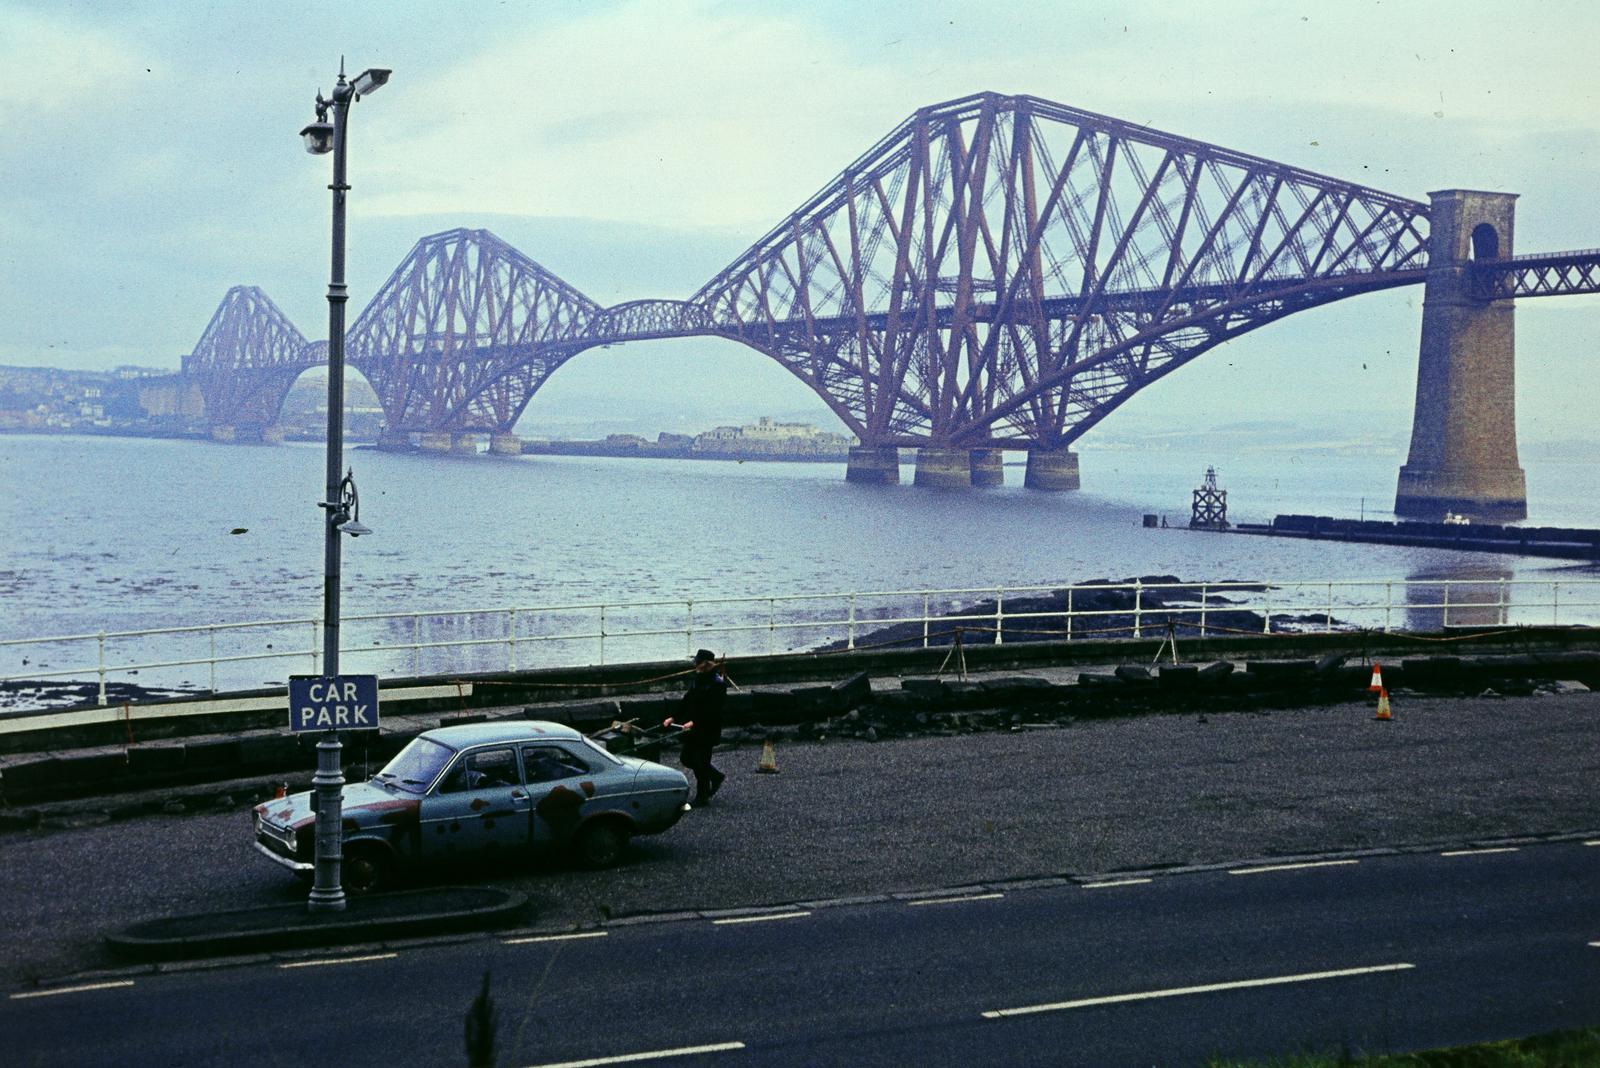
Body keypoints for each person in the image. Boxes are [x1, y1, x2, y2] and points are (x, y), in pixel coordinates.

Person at [672, 648, 728, 806]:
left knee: (701, 761)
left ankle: (702, 796)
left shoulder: (718, 685)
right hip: (693, 728)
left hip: (707, 729)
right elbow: (687, 700)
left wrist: (694, 722)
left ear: (706, 664)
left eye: (698, 662)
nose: (695, 664)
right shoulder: (698, 679)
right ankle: (715, 776)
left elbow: (712, 711)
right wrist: (674, 717)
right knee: (687, 758)